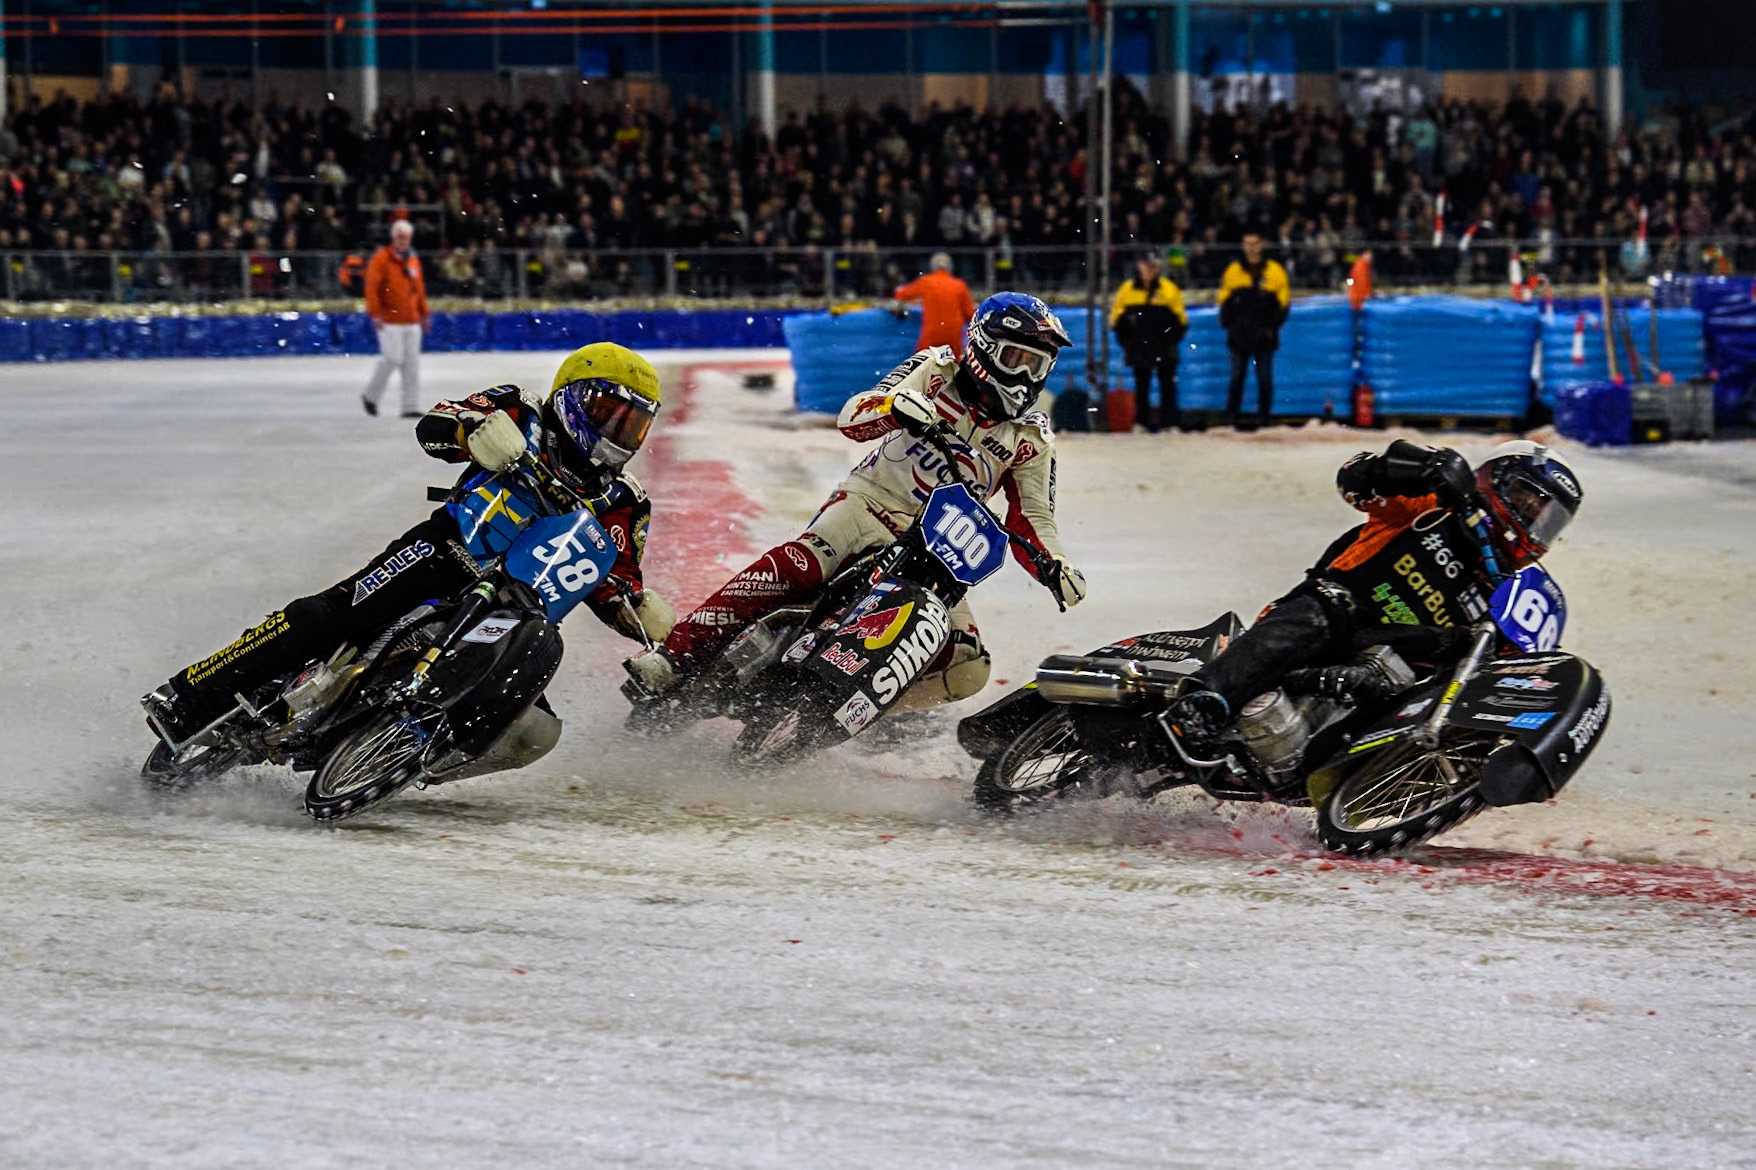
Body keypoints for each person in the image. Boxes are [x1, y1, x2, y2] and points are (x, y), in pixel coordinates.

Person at [143, 344, 675, 750]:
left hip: (520, 607)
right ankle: (190, 693)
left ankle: (402, 755)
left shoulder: (624, 499)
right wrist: (473, 434)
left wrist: (645, 626)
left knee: (529, 729)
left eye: (632, 423)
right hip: (448, 552)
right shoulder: (522, 410)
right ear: (569, 397)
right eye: (607, 411)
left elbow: (613, 579)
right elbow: (436, 425)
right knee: (332, 613)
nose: (616, 431)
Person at [625, 293, 1086, 709]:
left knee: (967, 666)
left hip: (938, 553)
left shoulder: (1031, 439)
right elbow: (855, 415)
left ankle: (867, 711)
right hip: (870, 504)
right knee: (797, 567)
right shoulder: (936, 369)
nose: (1027, 376)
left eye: (1038, 365)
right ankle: (674, 656)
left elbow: (1033, 517)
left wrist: (1056, 564)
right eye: (1018, 358)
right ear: (984, 348)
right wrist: (893, 409)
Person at [1167, 439, 1585, 746]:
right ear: (1494, 481)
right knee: (1324, 613)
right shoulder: (1434, 504)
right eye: (1525, 503)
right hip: (1337, 610)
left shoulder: (1506, 596)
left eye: (1546, 521)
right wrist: (1421, 467)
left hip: (1389, 669)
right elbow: (1355, 478)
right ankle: (1203, 700)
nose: (1530, 524)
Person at [1108, 251, 1189, 432]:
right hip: (1139, 347)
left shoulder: (1169, 289)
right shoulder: (1128, 290)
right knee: (1141, 386)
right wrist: (1128, 343)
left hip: (1164, 347)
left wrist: (1170, 341)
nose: (1150, 270)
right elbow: (1117, 321)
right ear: (1139, 265)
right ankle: (1142, 422)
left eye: (1153, 265)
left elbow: (1180, 321)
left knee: (1167, 386)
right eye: (1146, 265)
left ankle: (1169, 423)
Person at [1217, 230, 1290, 430]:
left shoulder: (1275, 271)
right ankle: (1231, 418)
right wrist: (1230, 326)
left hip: (1264, 338)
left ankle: (1264, 418)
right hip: (1239, 337)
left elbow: (1283, 306)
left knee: (1265, 379)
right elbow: (1224, 304)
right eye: (1247, 243)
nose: (1251, 247)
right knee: (1236, 378)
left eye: (1254, 243)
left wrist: (1271, 328)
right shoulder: (1233, 272)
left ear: (1262, 245)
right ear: (1242, 246)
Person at [361, 220, 431, 418]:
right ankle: (370, 395)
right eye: (400, 237)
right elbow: (372, 288)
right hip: (389, 321)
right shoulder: (381, 258)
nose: (403, 241)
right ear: (394, 238)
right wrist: (375, 313)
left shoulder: (413, 260)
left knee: (412, 365)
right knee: (392, 358)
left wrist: (424, 313)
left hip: (412, 321)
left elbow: (419, 289)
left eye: (406, 237)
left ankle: (410, 405)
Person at [893, 252, 977, 357]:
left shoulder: (927, 281)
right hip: (953, 334)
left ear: (932, 266)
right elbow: (969, 314)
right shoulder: (960, 285)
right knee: (955, 365)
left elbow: (901, 293)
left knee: (922, 361)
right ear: (950, 267)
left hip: (932, 333)